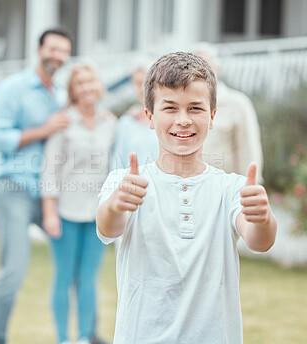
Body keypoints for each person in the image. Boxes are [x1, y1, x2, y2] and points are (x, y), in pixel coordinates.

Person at [96, 52, 277, 343]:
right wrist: (117, 205)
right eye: (170, 108)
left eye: (195, 108)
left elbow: (260, 240)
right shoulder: (124, 182)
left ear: (212, 116)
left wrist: (263, 217)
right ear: (150, 117)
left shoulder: (231, 188)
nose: (183, 120)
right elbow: (108, 227)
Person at [0, 28, 72, 344]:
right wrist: (43, 129)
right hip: (11, 187)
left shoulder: (59, 94)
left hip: (47, 193)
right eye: (52, 49)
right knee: (14, 270)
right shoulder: (13, 89)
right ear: (39, 49)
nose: (57, 56)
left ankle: (81, 334)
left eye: (63, 51)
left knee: (76, 257)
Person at [41, 63, 116, 344]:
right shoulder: (63, 121)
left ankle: (85, 337)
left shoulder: (110, 122)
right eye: (80, 83)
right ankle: (63, 338)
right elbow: (49, 169)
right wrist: (49, 212)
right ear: (73, 90)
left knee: (88, 279)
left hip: (97, 213)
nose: (87, 87)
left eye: (90, 82)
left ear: (98, 86)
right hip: (65, 212)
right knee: (64, 278)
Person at [193, 43, 264, 183]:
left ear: (216, 69)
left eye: (204, 66)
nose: (198, 73)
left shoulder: (238, 104)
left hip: (228, 191)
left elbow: (250, 152)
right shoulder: (184, 107)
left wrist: (250, 187)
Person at [111, 64, 159, 170]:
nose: (143, 89)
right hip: (134, 184)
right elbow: (117, 164)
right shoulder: (126, 123)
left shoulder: (167, 119)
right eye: (138, 83)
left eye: (147, 82)